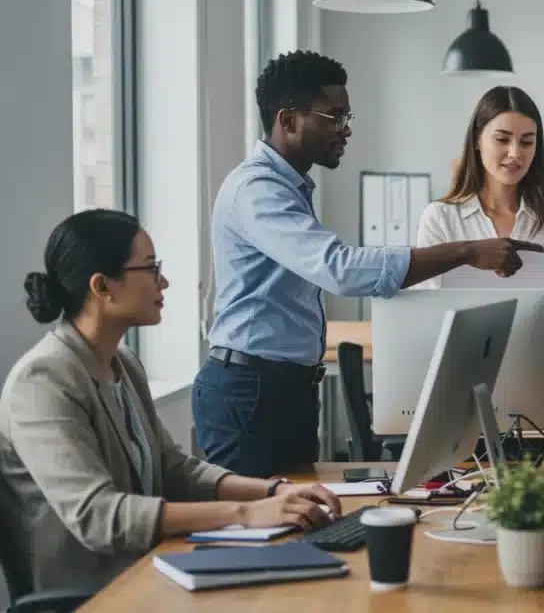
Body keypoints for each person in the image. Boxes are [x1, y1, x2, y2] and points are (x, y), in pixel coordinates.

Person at [195, 51, 544, 478]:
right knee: (253, 533)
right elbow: (341, 269)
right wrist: (469, 251)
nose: (346, 130)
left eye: (347, 117)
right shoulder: (258, 190)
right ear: (288, 120)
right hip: (252, 391)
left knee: (294, 520)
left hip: (284, 388)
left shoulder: (290, 188)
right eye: (334, 117)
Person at [0, 210, 343, 592]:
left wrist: (275, 491)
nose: (164, 281)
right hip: (88, 596)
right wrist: (246, 514)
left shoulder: (123, 363)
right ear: (102, 287)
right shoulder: (42, 381)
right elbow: (99, 517)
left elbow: (175, 469)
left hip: (146, 571)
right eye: (150, 268)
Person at [415, 85, 544, 435]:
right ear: (477, 139)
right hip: (468, 379)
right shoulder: (442, 218)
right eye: (502, 139)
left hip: (539, 376)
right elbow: (434, 314)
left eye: (527, 142)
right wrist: (530, 301)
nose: (515, 153)